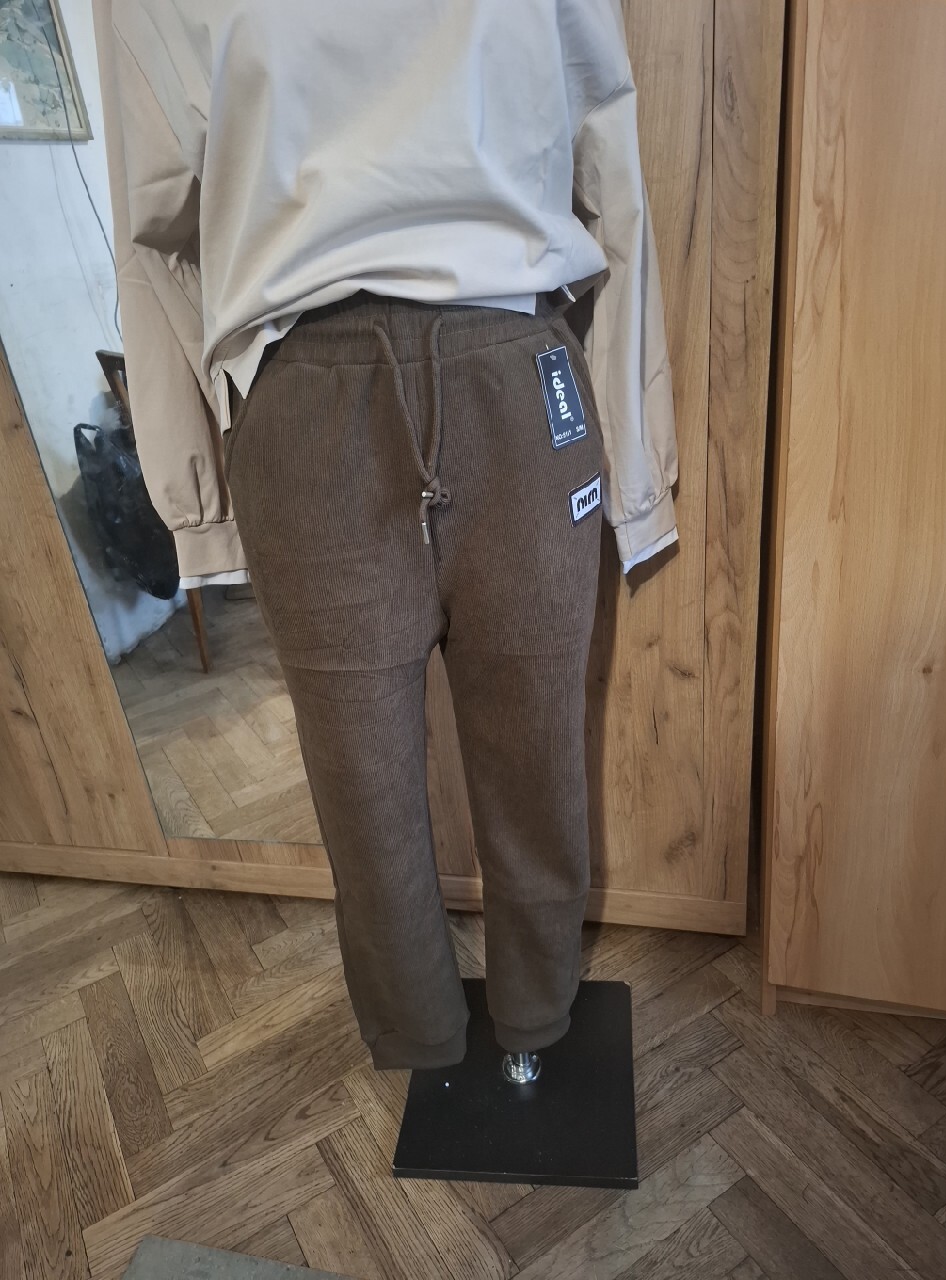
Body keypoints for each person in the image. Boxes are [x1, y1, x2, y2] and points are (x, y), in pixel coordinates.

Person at [95, 0, 678, 1070]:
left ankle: (536, 1020)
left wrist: (639, 471)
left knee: (538, 763)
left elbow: (609, 150)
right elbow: (152, 222)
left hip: (511, 372)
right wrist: (199, 500)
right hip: (312, 393)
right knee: (364, 799)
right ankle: (423, 1041)